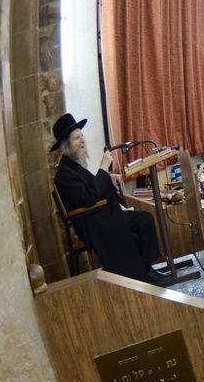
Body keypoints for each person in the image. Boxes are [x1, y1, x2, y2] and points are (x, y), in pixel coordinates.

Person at [50, 113, 162, 283]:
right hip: (93, 225)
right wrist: (103, 168)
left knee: (145, 220)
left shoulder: (74, 165)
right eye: (76, 138)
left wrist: (108, 176)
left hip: (102, 217)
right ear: (66, 145)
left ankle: (145, 269)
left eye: (82, 136)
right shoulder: (64, 174)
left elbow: (90, 189)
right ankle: (141, 275)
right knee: (140, 223)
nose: (82, 141)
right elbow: (88, 198)